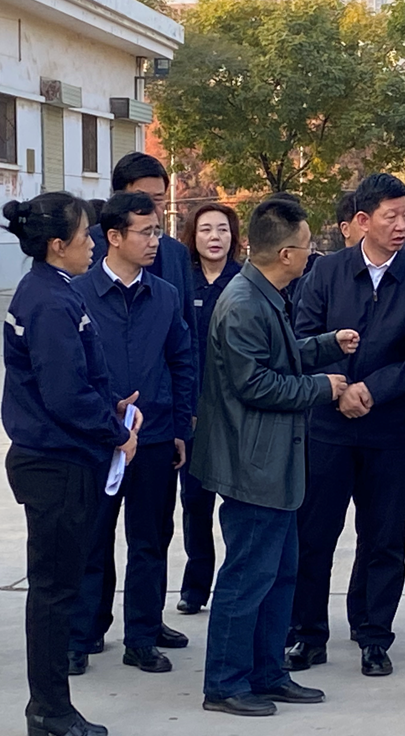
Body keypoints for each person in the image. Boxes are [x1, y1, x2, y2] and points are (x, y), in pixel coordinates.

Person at [193, 196, 359, 716]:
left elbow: (279, 355)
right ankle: (225, 682)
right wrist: (322, 387)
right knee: (247, 576)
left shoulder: (265, 296)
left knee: (279, 574)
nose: (311, 255)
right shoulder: (244, 303)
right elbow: (255, 384)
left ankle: (267, 671)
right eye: (307, 247)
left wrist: (327, 344)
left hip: (274, 463)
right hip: (252, 464)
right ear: (286, 254)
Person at [288, 173, 405, 677]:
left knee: (383, 537)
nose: (401, 225)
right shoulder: (327, 272)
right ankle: (307, 633)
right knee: (315, 534)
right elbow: (303, 336)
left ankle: (374, 635)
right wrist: (338, 386)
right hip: (328, 426)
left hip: (392, 428)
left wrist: (373, 390)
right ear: (362, 221)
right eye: (390, 216)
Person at [1, 192, 140, 736]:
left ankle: (50, 706)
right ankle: (50, 709)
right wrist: (117, 431)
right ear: (58, 245)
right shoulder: (50, 301)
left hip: (62, 457)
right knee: (55, 592)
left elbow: (76, 380)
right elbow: (63, 395)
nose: (93, 246)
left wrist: (112, 406)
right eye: (85, 237)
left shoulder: (54, 290)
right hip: (55, 463)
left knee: (56, 587)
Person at [68, 193, 196, 676]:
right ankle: (82, 635)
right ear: (114, 237)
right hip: (96, 439)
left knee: (149, 541)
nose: (154, 241)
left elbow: (182, 360)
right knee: (90, 541)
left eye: (157, 231)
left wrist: (180, 425)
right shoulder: (78, 293)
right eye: (145, 232)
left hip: (155, 436)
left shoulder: (164, 294)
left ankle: (142, 637)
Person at [176, 202, 243, 616]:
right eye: (206, 230)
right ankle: (195, 585)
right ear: (193, 236)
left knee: (237, 505)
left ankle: (236, 586)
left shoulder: (246, 283)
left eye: (222, 229)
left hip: (237, 414)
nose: (215, 237)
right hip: (194, 413)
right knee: (195, 502)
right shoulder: (182, 284)